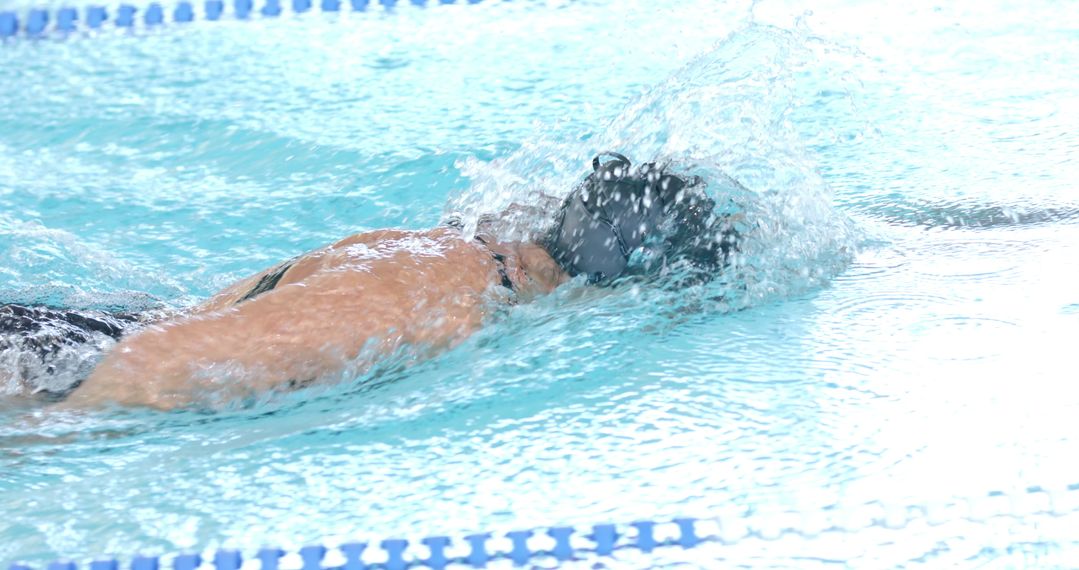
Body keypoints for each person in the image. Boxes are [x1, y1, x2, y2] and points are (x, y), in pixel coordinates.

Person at [0, 153, 737, 410]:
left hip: (75, 339)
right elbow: (150, 365)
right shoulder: (436, 292)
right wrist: (44, 438)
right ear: (612, 295)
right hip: (51, 367)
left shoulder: (452, 255)